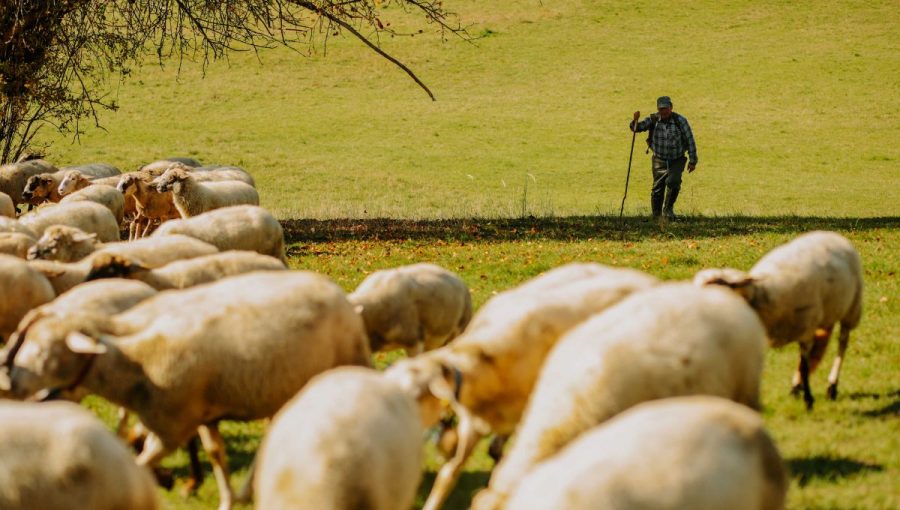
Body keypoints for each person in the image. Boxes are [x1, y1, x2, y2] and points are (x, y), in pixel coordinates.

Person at [629, 96, 698, 220]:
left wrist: (693, 160)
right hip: (659, 159)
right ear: (658, 109)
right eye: (661, 109)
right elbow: (637, 128)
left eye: (666, 108)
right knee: (657, 187)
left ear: (671, 108)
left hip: (676, 159)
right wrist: (634, 121)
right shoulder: (653, 119)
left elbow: (690, 140)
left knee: (673, 182)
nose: (663, 111)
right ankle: (656, 215)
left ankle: (668, 210)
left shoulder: (680, 121)